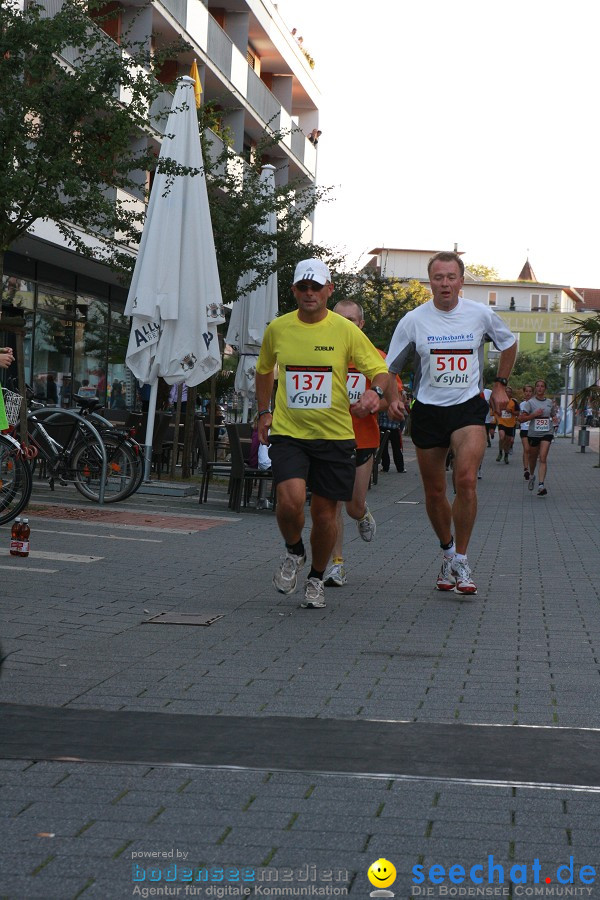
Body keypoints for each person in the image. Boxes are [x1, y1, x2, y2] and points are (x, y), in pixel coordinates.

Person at [255, 258, 399, 610]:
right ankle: (294, 552)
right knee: (289, 501)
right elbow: (263, 371)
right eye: (302, 287)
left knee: (324, 515)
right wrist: (263, 411)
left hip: (335, 436)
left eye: (315, 287)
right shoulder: (278, 328)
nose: (309, 293)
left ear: (328, 290)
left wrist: (375, 394)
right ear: (293, 291)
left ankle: (317, 577)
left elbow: (381, 371)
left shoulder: (346, 330)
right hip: (290, 432)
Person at [387, 251, 517, 596]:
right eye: (438, 277)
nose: (445, 283)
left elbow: (509, 343)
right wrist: (391, 398)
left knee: (465, 481)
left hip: (467, 408)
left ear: (461, 280)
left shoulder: (480, 314)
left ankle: (462, 558)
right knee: (434, 492)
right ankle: (446, 550)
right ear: (430, 282)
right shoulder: (413, 320)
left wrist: (500, 383)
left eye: (451, 277)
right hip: (428, 410)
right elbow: (390, 368)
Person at [323, 299, 398, 589]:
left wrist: (372, 405)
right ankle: (336, 564)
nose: (346, 325)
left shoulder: (376, 357)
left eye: (352, 320)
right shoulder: (323, 353)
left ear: (361, 325)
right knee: (330, 506)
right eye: (340, 319)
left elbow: (391, 397)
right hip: (328, 437)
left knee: (352, 506)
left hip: (362, 440)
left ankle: (362, 512)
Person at [520, 379, 559, 496]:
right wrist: (534, 415)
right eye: (538, 386)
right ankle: (532, 475)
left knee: (543, 457)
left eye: (542, 386)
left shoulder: (549, 402)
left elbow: (552, 414)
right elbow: (521, 418)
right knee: (532, 458)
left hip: (547, 432)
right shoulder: (530, 403)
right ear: (535, 388)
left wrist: (555, 418)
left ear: (545, 389)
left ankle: (541, 485)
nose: (540, 388)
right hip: (533, 433)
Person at [495, 385, 520, 464]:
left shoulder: (514, 402)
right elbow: (496, 411)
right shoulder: (499, 401)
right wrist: (498, 412)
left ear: (511, 394)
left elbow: (518, 413)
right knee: (502, 437)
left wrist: (511, 411)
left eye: (509, 392)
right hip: (502, 422)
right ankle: (500, 453)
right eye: (506, 391)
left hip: (510, 424)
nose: (507, 393)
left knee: (508, 441)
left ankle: (506, 455)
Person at [519, 383, 534, 479]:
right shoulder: (522, 404)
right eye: (526, 391)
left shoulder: (535, 403)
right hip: (524, 429)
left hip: (533, 429)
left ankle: (530, 468)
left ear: (532, 393)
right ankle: (526, 469)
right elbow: (520, 417)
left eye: (530, 391)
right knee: (526, 449)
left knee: (532, 451)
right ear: (524, 393)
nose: (528, 393)